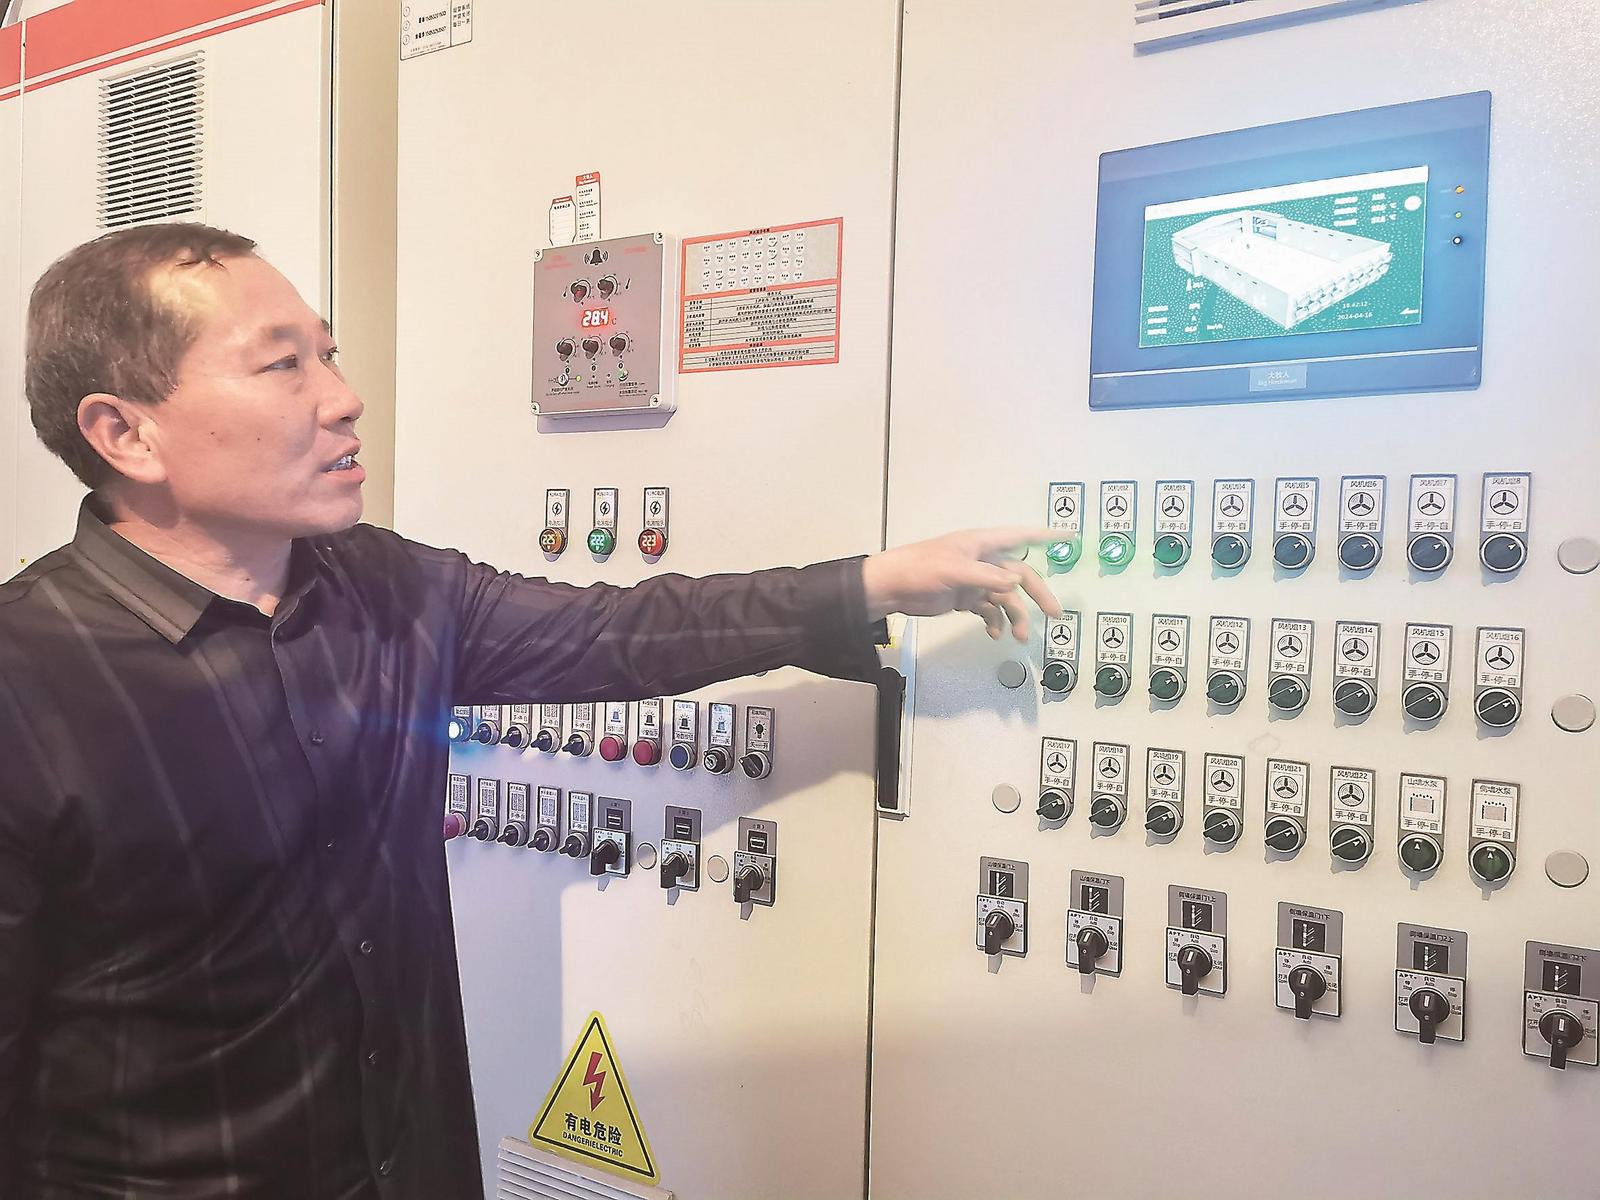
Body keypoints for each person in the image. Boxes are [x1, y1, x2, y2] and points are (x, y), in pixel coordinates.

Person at [0, 223, 1061, 1199]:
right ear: (125, 433)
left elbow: (619, 632)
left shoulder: (384, 589)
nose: (344, 397)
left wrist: (871, 583)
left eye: (330, 354)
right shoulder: (27, 680)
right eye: (283, 366)